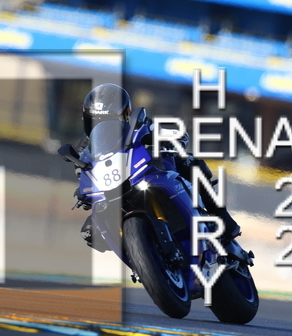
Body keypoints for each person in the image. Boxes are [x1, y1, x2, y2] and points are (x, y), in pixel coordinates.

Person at [74, 83, 241, 251]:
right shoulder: (85, 149)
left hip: (148, 171)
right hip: (113, 192)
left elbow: (172, 134)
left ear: (125, 115)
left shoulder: (140, 125)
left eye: (110, 119)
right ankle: (139, 254)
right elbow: (83, 173)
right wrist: (85, 190)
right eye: (96, 120)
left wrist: (173, 140)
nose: (103, 125)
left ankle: (220, 215)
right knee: (90, 232)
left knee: (191, 164)